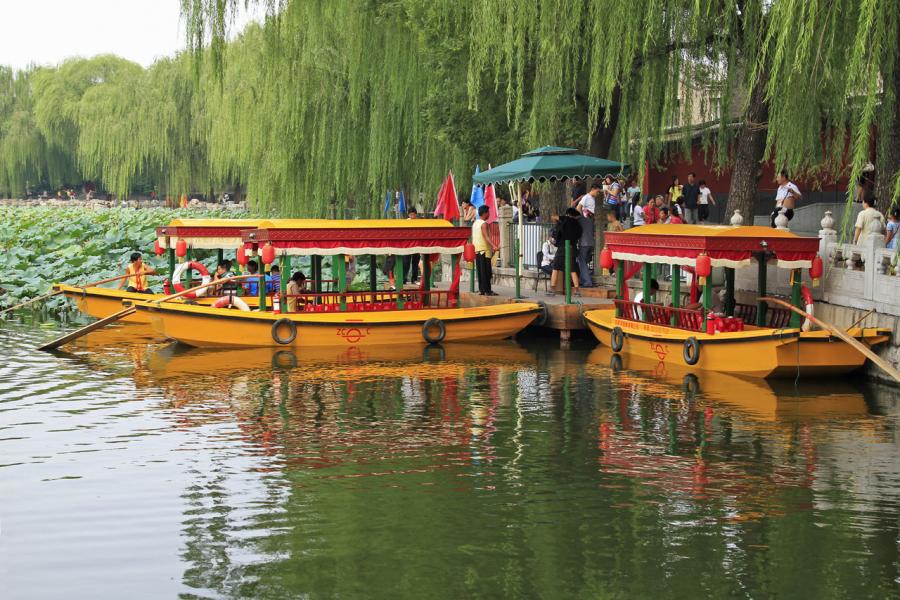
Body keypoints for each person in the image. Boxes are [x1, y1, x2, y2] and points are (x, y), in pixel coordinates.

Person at [549, 208, 582, 296]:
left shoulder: (565, 219)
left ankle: (552, 289)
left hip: (562, 247)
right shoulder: (578, 225)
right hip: (572, 248)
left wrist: (558, 221)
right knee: (573, 269)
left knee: (556, 268)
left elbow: (554, 217)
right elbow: (579, 235)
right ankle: (577, 290)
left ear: (567, 214)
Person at [472, 205, 498, 296]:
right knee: (486, 271)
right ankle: (487, 290)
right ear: (485, 213)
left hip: (477, 250)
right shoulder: (484, 224)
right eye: (489, 212)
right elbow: (486, 237)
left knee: (480, 271)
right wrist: (494, 246)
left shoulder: (475, 223)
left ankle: (482, 290)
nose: (489, 214)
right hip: (484, 250)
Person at [577, 208, 595, 287]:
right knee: (584, 262)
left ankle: (587, 282)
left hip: (584, 244)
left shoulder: (578, 220)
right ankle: (582, 280)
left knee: (582, 262)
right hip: (591, 244)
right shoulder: (590, 220)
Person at [403, 207, 420, 283]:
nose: (412, 216)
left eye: (413, 215)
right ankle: (403, 278)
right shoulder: (406, 222)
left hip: (417, 245)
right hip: (408, 245)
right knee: (406, 262)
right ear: (408, 215)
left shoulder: (419, 222)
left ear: (416, 214)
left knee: (415, 263)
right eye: (410, 215)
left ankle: (414, 279)